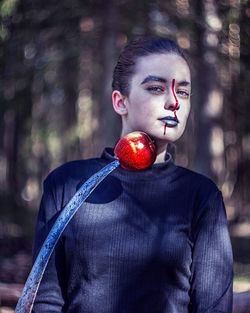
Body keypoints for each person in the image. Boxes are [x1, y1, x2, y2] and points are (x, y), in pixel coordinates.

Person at [32, 37, 233, 312]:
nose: (173, 102)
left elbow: (213, 308)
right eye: (155, 88)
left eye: (183, 93)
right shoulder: (66, 184)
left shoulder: (202, 196)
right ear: (120, 102)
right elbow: (46, 301)